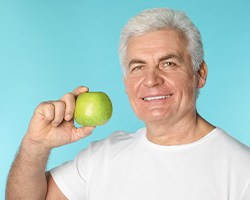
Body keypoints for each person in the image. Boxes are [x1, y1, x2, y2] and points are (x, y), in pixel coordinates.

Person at [6, 8, 250, 200]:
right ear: (126, 83)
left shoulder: (242, 170)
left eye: (168, 64)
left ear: (200, 73)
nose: (151, 80)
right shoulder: (102, 157)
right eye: (138, 67)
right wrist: (35, 145)